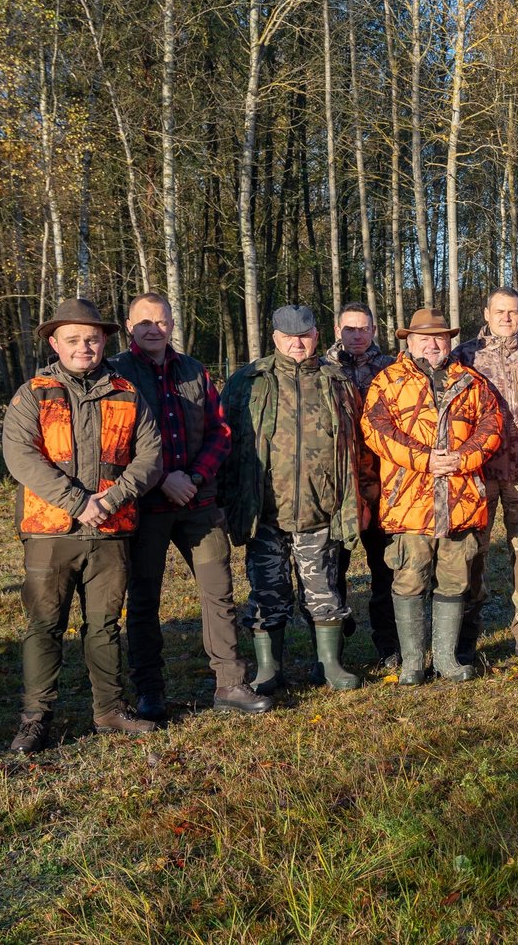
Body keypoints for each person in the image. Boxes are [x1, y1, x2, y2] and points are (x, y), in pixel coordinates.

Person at [2, 298, 165, 752]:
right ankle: (35, 719)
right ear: (55, 343)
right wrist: (77, 502)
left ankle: (110, 709)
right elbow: (21, 457)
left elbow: (150, 457)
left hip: (111, 530)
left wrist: (112, 498)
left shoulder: (127, 393)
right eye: (72, 339)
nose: (83, 347)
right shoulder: (33, 393)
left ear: (104, 342)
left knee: (105, 624)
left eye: (91, 339)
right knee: (44, 624)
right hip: (50, 531)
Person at [108, 293, 269, 720]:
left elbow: (220, 431)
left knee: (219, 593)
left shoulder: (194, 371)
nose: (153, 329)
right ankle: (150, 691)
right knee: (144, 598)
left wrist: (195, 477)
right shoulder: (116, 374)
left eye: (161, 322)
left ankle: (230, 683)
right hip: (145, 506)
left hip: (199, 503)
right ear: (129, 326)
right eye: (144, 322)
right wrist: (162, 478)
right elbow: (113, 441)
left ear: (172, 325)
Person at [219, 305, 370, 693]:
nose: (297, 343)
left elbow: (356, 445)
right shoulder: (248, 382)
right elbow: (224, 444)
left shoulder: (337, 382)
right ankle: (269, 669)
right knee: (267, 591)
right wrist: (227, 500)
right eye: (288, 336)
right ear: (275, 338)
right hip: (264, 512)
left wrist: (351, 501)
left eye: (304, 336)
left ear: (316, 336)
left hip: (321, 508)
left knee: (323, 590)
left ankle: (330, 665)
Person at [363, 308, 505, 685]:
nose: (432, 344)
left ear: (449, 341)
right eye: (424, 338)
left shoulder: (471, 381)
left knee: (455, 580)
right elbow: (376, 430)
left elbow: (491, 427)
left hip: (460, 499)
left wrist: (462, 458)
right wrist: (424, 460)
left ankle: (445, 659)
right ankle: (412, 662)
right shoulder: (388, 381)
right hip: (409, 501)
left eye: (440, 337)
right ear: (409, 341)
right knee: (409, 579)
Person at [453, 287, 518, 663]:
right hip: (478, 473)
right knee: (472, 552)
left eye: (513, 312)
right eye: (500, 311)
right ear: (486, 313)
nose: (506, 318)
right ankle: (467, 631)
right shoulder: (465, 355)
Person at [324, 303, 399, 664]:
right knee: (332, 567)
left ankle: (388, 643)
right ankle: (334, 643)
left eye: (363, 328)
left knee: (386, 568)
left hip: (382, 483)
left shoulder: (391, 370)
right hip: (339, 485)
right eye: (349, 329)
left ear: (373, 330)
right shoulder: (322, 370)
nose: (356, 335)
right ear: (337, 330)